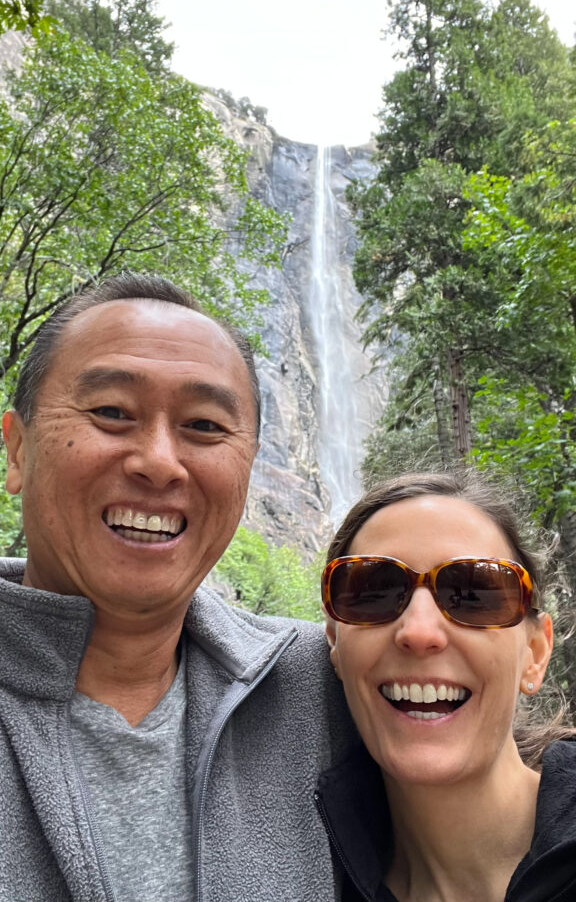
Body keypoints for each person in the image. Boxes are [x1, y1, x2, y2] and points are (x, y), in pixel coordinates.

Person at [0, 271, 355, 902]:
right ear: (17, 450)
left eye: (205, 426)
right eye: (111, 412)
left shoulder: (325, 683)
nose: (160, 461)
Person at [316, 471, 576, 902]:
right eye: (372, 592)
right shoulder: (307, 872)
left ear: (535, 652)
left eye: (474, 593)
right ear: (335, 645)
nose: (418, 631)